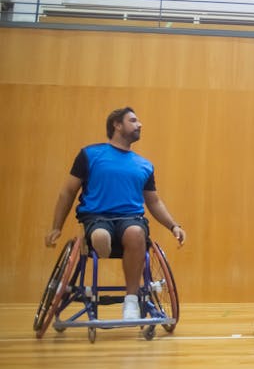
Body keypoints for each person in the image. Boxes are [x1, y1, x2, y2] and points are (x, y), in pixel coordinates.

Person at [45, 107, 186, 320]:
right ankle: (103, 245)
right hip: (96, 217)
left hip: (131, 219)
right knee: (101, 236)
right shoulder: (89, 154)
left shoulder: (144, 165)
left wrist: (174, 226)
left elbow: (154, 202)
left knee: (136, 233)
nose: (140, 125)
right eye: (133, 120)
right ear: (117, 125)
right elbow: (68, 191)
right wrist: (56, 227)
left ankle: (131, 302)